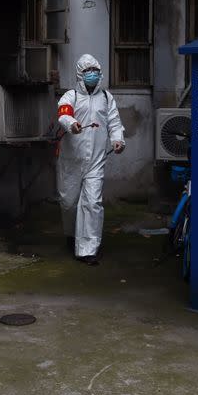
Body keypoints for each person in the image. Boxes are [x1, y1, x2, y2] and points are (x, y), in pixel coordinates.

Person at [56, 54, 125, 265]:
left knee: (93, 203)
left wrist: (118, 140)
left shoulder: (106, 97)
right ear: (79, 74)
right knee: (69, 203)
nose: (92, 74)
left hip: (96, 160)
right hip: (71, 161)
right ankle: (71, 234)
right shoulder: (71, 96)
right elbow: (63, 115)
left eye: (94, 70)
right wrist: (72, 124)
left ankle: (88, 250)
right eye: (87, 71)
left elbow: (114, 123)